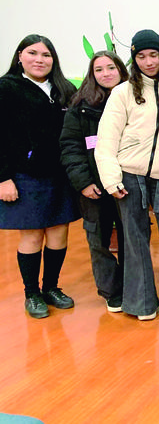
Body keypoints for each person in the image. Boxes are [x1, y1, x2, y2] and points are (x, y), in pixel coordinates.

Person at [95, 30, 159, 322]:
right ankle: (142, 304)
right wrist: (111, 179)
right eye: (141, 56)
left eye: (153, 55)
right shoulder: (122, 93)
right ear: (134, 59)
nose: (148, 61)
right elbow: (107, 140)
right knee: (135, 239)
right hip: (130, 177)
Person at [0, 34, 79, 318]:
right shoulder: (6, 88)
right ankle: (32, 293)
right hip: (25, 175)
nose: (39, 59)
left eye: (46, 55)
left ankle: (51, 288)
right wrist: (3, 178)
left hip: (61, 174)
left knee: (59, 233)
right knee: (32, 235)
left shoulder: (64, 89)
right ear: (20, 56)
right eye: (32, 53)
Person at [60, 50, 128, 312]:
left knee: (131, 238)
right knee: (98, 240)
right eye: (99, 69)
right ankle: (112, 291)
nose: (106, 74)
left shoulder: (134, 101)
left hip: (127, 185)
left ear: (120, 70)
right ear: (92, 74)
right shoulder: (80, 106)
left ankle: (134, 285)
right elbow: (70, 147)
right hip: (94, 187)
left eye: (111, 68)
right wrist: (84, 183)